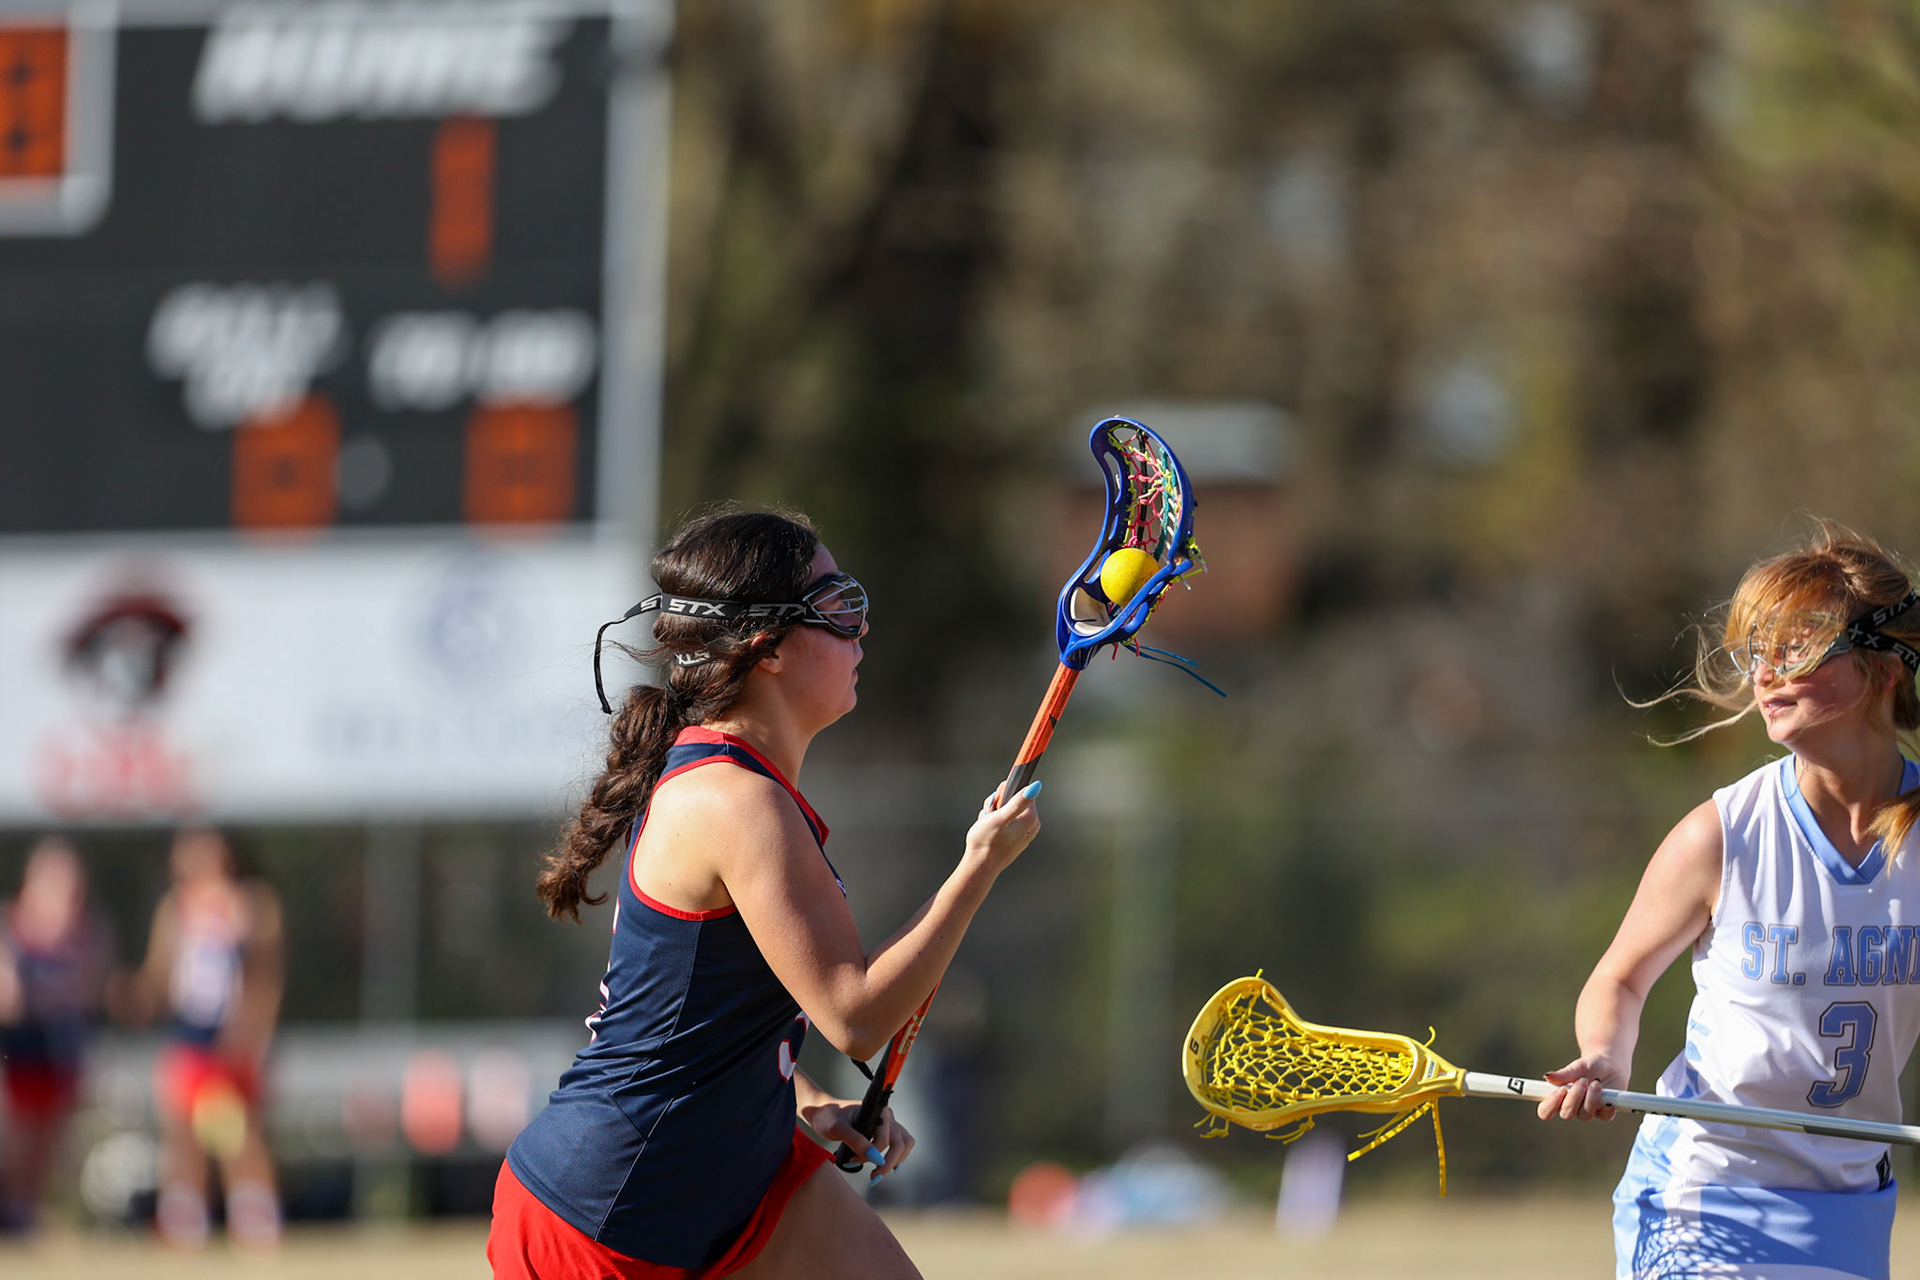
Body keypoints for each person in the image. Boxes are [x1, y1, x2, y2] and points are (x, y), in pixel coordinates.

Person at [488, 509, 1042, 1279]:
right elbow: (853, 1016)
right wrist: (979, 865)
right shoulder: (734, 801)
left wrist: (802, 1094)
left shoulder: (740, 785)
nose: (861, 632)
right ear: (767, 648)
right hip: (611, 1216)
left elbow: (702, 1003)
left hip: (739, 1177)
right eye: (840, 606)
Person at [1539, 522, 1920, 1280]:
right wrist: (1603, 1059)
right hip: (1702, 1193)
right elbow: (1621, 977)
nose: (1766, 674)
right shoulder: (1722, 834)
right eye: (1756, 652)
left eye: (1799, 649)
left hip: (1848, 1204)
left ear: (1882, 671)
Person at [133, 827, 285, 1249]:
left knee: (236, 1133)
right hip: (188, 1033)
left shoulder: (252, 904)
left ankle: (254, 1214)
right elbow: (162, 975)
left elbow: (264, 978)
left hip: (232, 1035)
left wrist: (254, 1032)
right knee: (182, 1131)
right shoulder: (174, 909)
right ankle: (184, 1216)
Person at [0, 836, 112, 1231]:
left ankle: (36, 1210)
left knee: (53, 1136)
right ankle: (14, 1208)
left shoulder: (86, 929)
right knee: (19, 1132)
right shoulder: (11, 923)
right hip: (21, 1042)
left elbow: (92, 986)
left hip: (62, 1040)